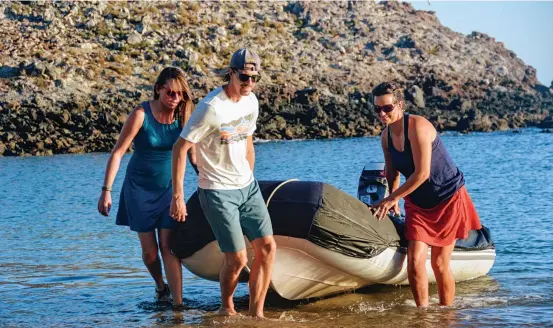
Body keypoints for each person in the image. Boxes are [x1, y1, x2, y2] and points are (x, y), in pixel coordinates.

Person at [170, 48, 276, 318]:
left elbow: (248, 141)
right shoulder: (211, 108)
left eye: (255, 78)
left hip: (247, 187)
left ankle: (257, 315)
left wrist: (249, 176)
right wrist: (178, 197)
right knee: (238, 259)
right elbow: (180, 149)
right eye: (244, 76)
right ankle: (226, 309)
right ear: (231, 73)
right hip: (217, 190)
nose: (249, 83)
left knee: (267, 248)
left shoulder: (251, 101)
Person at [370, 82, 482, 307]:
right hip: (418, 203)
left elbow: (422, 173)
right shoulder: (386, 137)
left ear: (400, 105)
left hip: (447, 197)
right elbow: (392, 171)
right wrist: (392, 197)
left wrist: (393, 198)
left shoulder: (419, 126)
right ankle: (422, 315)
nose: (382, 113)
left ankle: (446, 314)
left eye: (387, 108)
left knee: (440, 264)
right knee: (414, 261)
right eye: (377, 109)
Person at [97, 67, 195, 306]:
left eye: (180, 94)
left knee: (168, 247)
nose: (175, 98)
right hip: (138, 189)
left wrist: (209, 183)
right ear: (158, 89)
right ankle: (161, 288)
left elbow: (193, 157)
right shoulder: (141, 114)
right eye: (170, 93)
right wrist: (106, 190)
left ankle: (178, 306)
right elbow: (118, 152)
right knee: (151, 254)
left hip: (169, 191)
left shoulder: (183, 118)